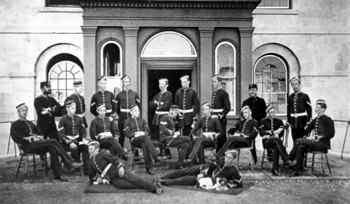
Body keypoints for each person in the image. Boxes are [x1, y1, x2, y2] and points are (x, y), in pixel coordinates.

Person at [10, 103, 83, 181]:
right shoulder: (15, 124)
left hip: (36, 146)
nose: (24, 112)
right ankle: (70, 162)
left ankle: (58, 175)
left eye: (26, 110)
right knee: (54, 141)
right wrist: (31, 139)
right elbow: (16, 138)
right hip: (27, 147)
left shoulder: (30, 123)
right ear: (18, 112)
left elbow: (40, 133)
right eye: (22, 111)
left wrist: (39, 137)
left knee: (52, 148)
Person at [88, 140, 163, 195]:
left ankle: (154, 188)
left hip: (117, 170)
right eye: (89, 149)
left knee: (132, 179)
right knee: (121, 185)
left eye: (91, 149)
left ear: (97, 149)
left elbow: (115, 159)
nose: (90, 151)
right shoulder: (91, 161)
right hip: (111, 177)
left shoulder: (102, 153)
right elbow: (91, 174)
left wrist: (121, 167)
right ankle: (150, 182)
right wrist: (96, 178)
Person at [288, 99, 335, 176]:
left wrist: (320, 137)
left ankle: (289, 159)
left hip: (322, 144)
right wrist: (305, 135)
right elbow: (306, 130)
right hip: (315, 144)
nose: (315, 109)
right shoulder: (315, 119)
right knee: (300, 146)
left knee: (298, 141)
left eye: (317, 107)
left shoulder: (328, 120)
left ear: (323, 109)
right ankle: (297, 170)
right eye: (315, 107)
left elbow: (331, 134)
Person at [158, 151, 242, 189]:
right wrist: (203, 173)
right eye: (226, 157)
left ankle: (162, 182)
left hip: (208, 179)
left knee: (185, 179)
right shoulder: (222, 159)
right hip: (205, 169)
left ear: (234, 159)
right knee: (185, 171)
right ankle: (163, 177)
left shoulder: (234, 170)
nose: (226, 159)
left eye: (229, 158)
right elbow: (212, 166)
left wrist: (227, 184)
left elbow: (239, 183)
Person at [123, 105, 166, 175]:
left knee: (144, 144)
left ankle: (148, 167)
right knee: (145, 138)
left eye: (138, 111)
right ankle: (156, 156)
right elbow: (126, 133)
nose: (137, 112)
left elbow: (148, 131)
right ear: (131, 112)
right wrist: (135, 134)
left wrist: (144, 133)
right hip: (134, 140)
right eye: (135, 111)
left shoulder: (142, 121)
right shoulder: (127, 121)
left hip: (143, 139)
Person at [259, 105, 295, 176]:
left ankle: (275, 168)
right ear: (268, 113)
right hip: (267, 142)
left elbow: (281, 133)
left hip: (276, 141)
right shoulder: (263, 121)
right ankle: (286, 159)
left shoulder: (279, 121)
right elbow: (261, 132)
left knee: (276, 145)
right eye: (271, 112)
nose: (273, 114)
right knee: (277, 142)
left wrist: (278, 132)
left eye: (274, 112)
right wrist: (273, 133)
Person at [58, 100, 89, 175]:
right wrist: (70, 142)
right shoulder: (62, 120)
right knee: (74, 148)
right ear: (67, 109)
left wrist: (84, 138)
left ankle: (86, 169)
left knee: (85, 147)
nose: (74, 110)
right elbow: (61, 135)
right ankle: (76, 168)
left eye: (74, 108)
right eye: (72, 108)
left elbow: (83, 131)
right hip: (66, 143)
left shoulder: (79, 118)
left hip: (77, 140)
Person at [159, 105, 191, 169]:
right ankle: (189, 159)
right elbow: (163, 129)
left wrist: (181, 116)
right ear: (171, 111)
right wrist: (174, 133)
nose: (176, 114)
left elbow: (182, 125)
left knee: (186, 145)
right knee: (188, 138)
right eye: (176, 113)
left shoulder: (172, 119)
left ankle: (180, 163)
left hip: (172, 138)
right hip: (166, 139)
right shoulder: (164, 118)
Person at [149, 78, 173, 157]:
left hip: (164, 117)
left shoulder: (168, 94)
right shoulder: (158, 95)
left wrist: (157, 103)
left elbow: (165, 106)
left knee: (164, 135)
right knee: (158, 136)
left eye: (162, 84)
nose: (161, 86)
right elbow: (150, 104)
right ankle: (163, 152)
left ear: (167, 85)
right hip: (156, 117)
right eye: (160, 84)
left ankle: (166, 152)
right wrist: (159, 103)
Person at [115, 75, 141, 147]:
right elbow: (117, 108)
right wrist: (120, 114)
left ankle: (136, 153)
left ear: (130, 83)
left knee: (134, 134)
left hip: (132, 117)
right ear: (123, 83)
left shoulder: (134, 94)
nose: (127, 83)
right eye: (125, 82)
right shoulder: (119, 95)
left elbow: (138, 106)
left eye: (128, 82)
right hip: (122, 117)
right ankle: (121, 152)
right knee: (121, 135)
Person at [287, 77, 312, 145]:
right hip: (293, 123)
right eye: (293, 84)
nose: (295, 86)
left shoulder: (304, 96)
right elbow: (288, 110)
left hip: (302, 122)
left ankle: (301, 155)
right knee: (294, 140)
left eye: (296, 84)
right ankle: (295, 155)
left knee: (302, 140)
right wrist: (288, 121)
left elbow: (309, 110)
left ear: (299, 85)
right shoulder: (290, 97)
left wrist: (308, 122)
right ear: (291, 86)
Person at [211, 75, 230, 151]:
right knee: (217, 137)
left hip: (221, 119)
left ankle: (221, 157)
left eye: (214, 81)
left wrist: (221, 114)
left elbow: (227, 107)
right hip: (214, 118)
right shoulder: (214, 93)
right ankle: (218, 156)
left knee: (221, 137)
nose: (213, 83)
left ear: (219, 82)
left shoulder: (223, 93)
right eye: (212, 82)